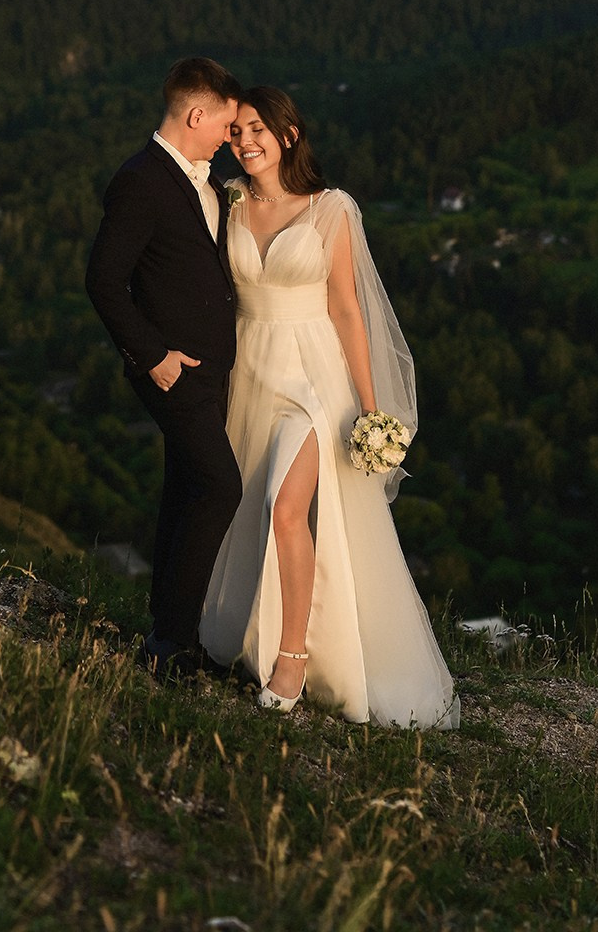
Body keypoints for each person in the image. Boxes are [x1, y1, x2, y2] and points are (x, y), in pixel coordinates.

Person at [200, 85, 460, 728]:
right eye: (236, 133)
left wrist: (373, 411)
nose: (245, 141)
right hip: (251, 375)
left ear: (289, 135)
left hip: (315, 381)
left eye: (258, 128)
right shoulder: (229, 205)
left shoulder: (331, 209)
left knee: (284, 509)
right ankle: (259, 634)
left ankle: (292, 658)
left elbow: (347, 307)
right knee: (247, 509)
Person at [85, 56, 244, 677]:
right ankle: (173, 643)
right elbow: (102, 280)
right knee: (219, 487)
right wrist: (153, 357)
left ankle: (166, 635)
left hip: (208, 371)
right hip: (171, 371)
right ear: (195, 115)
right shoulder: (141, 180)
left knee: (184, 489)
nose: (228, 140)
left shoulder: (201, 181)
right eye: (225, 127)